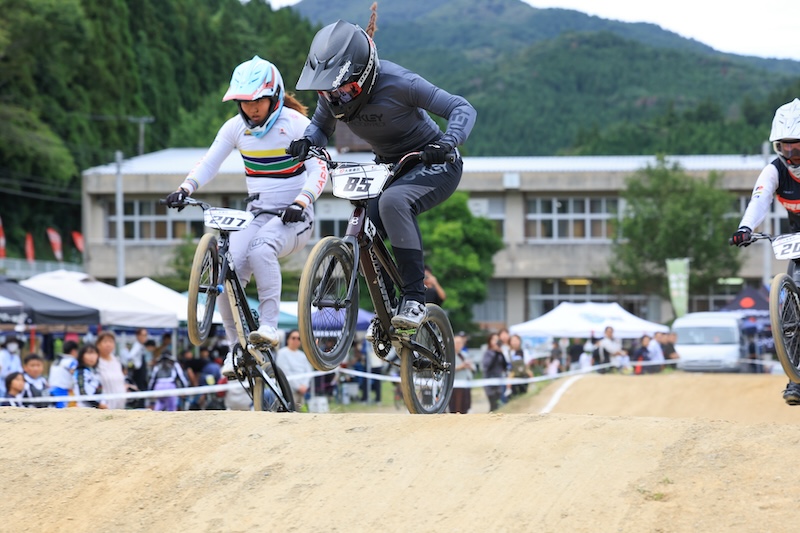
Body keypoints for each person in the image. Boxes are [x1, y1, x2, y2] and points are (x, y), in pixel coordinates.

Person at [288, 11, 476, 331]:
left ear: (363, 78)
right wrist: (307, 142)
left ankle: (415, 298)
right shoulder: (333, 94)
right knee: (363, 231)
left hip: (434, 162)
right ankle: (388, 310)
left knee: (392, 203)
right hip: (389, 168)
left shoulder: (401, 84)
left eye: (343, 91)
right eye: (328, 93)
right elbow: (320, 126)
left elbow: (461, 107)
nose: (335, 100)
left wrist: (448, 142)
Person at [164, 55, 328, 378]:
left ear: (275, 96)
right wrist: (185, 188)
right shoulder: (235, 129)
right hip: (256, 213)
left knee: (261, 248)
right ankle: (235, 347)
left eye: (258, 101)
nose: (251, 109)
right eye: (244, 102)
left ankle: (269, 326)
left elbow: (319, 168)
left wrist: (302, 200)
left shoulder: (296, 126)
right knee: (228, 267)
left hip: (295, 218)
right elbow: (209, 162)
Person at [730, 98, 800, 404]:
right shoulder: (774, 171)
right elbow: (759, 200)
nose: (791, 154)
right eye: (785, 147)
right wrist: (745, 228)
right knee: (792, 308)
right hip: (797, 238)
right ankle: (796, 380)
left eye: (796, 147)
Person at [276, 329, 313, 409]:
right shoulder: (282, 353)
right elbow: (285, 372)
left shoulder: (303, 355)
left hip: (301, 392)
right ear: (288, 339)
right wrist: (298, 387)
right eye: (293, 338)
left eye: (298, 338)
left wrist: (304, 386)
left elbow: (308, 371)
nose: (296, 340)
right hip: (288, 391)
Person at [94, 331, 127, 409]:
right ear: (98, 344)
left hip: (120, 404)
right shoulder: (96, 362)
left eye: (111, 341)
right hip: (105, 406)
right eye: (105, 341)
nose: (108, 344)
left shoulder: (116, 361)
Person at [121, 328, 150, 407]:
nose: (145, 337)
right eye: (143, 335)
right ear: (138, 336)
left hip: (142, 375)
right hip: (138, 375)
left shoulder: (141, 346)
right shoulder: (137, 346)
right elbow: (130, 357)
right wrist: (135, 365)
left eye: (146, 335)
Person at [73, 344, 107, 409]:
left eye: (94, 353)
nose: (92, 357)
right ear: (82, 356)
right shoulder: (81, 372)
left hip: (97, 409)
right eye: (88, 353)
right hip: (84, 409)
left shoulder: (95, 372)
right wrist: (98, 405)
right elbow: (82, 393)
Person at [49, 340, 80, 408]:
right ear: (73, 351)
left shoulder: (56, 361)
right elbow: (75, 374)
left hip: (51, 389)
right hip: (62, 390)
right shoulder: (72, 361)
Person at [448, 332, 473, 414]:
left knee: (465, 404)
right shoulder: (449, 355)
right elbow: (448, 368)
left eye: (460, 343)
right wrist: (461, 366)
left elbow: (473, 367)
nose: (459, 345)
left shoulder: (465, 354)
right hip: (455, 384)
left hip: (466, 383)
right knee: (455, 405)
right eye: (457, 343)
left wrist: (469, 366)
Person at [482, 333, 507, 412]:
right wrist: (496, 353)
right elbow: (488, 366)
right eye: (494, 339)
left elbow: (505, 366)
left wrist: (501, 353)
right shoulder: (488, 353)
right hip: (489, 381)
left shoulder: (499, 353)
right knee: (493, 403)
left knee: (498, 404)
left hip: (498, 380)